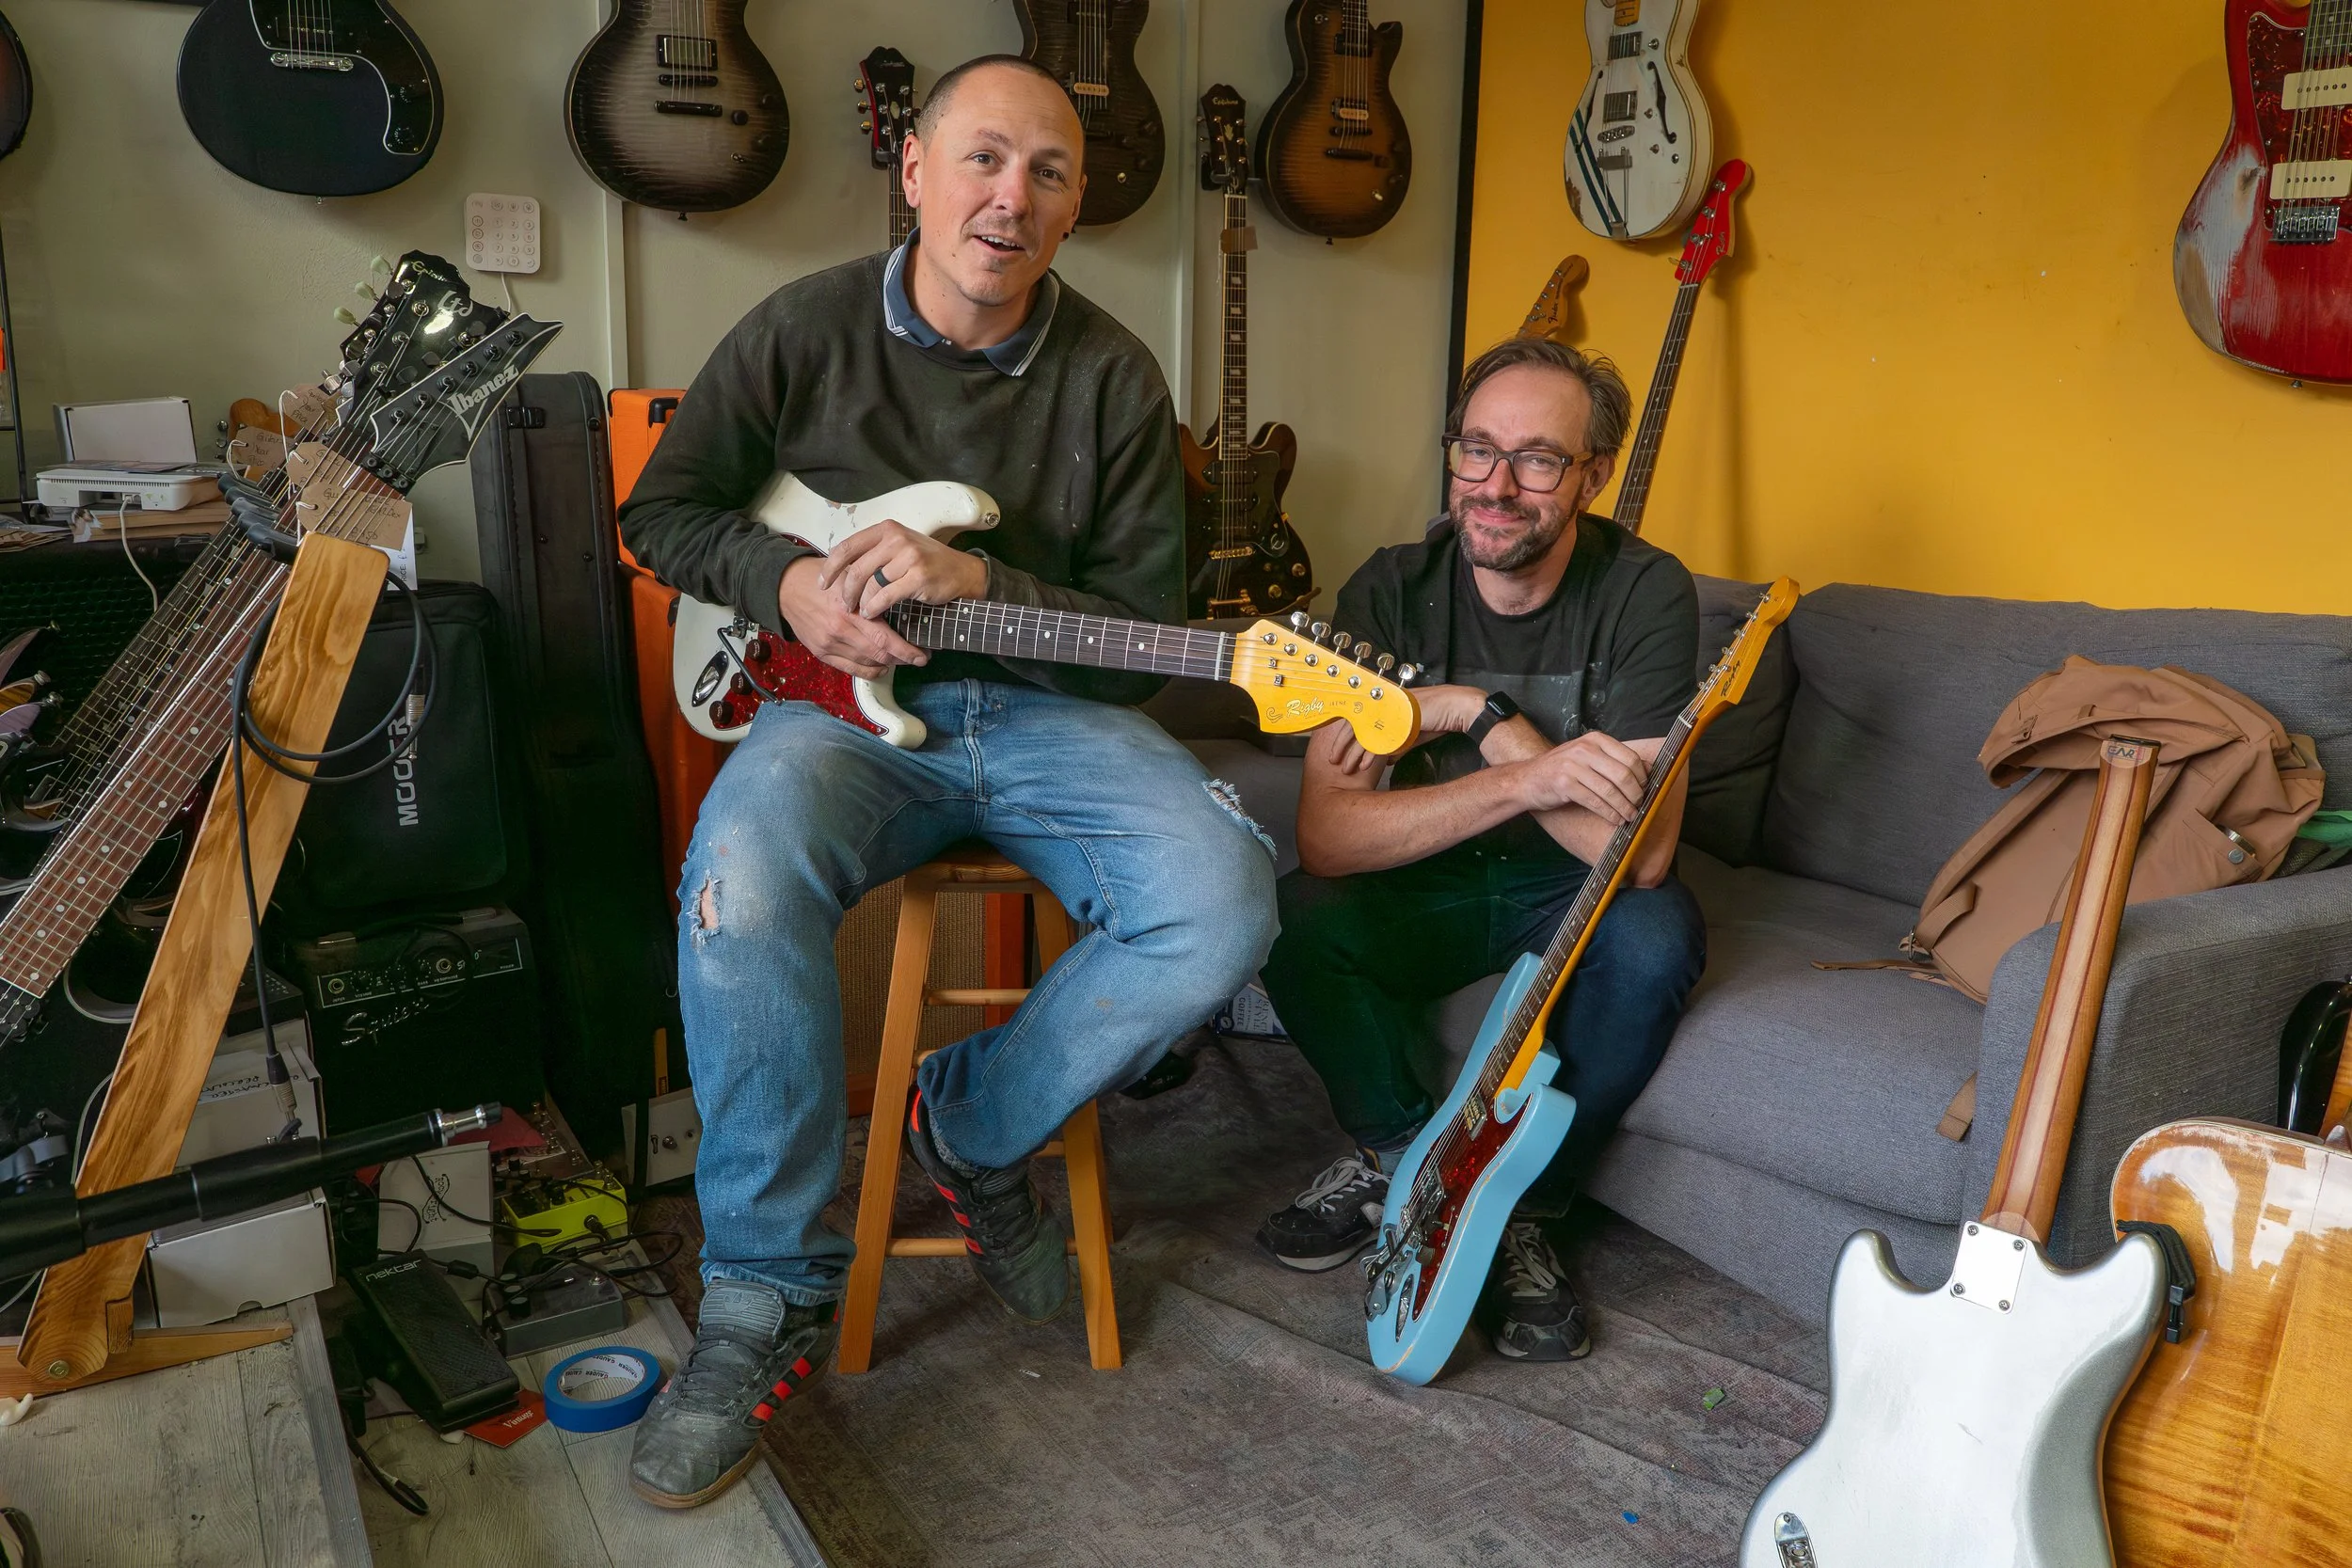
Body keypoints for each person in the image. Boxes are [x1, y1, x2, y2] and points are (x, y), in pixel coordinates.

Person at [617, 55, 1277, 1508]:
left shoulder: (1111, 375)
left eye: (1046, 173)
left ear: (1075, 207)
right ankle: (760, 1290)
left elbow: (1131, 646)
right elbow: (661, 512)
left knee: (1224, 900)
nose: (1010, 197)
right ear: (914, 171)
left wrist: (989, 579)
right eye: (983, 160)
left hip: (1044, 718)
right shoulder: (801, 329)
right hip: (839, 722)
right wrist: (790, 588)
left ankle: (971, 1120)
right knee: (738, 886)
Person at [1254, 336, 1706, 1362]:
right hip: (1434, 885)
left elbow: (1629, 857)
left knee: (1652, 931)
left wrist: (1474, 719)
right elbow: (1329, 841)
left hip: (1567, 892)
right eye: (1476, 449)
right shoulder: (1386, 594)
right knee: (1291, 917)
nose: (1496, 486)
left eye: (1539, 458)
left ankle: (1520, 1212)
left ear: (1590, 474)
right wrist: (1521, 758)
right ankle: (1407, 1158)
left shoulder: (1644, 596)